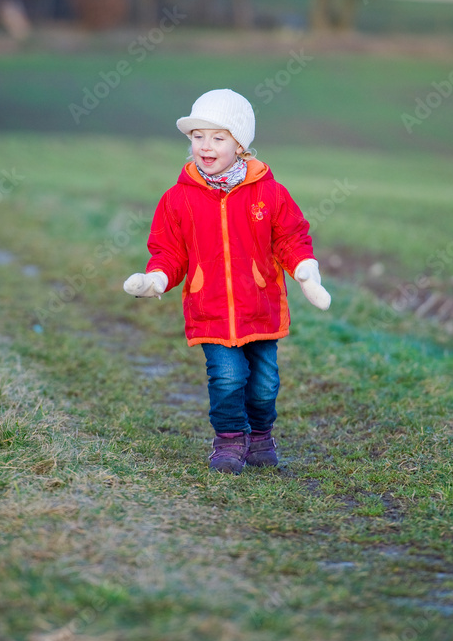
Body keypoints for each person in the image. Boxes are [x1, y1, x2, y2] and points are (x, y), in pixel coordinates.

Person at [123, 89, 331, 474]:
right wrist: (157, 277)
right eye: (198, 136)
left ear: (240, 145)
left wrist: (304, 268)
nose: (206, 146)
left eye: (218, 137)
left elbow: (290, 237)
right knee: (227, 378)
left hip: (261, 306)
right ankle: (230, 439)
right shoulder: (177, 199)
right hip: (211, 309)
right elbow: (170, 250)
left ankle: (261, 435)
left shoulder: (269, 192)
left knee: (264, 384)